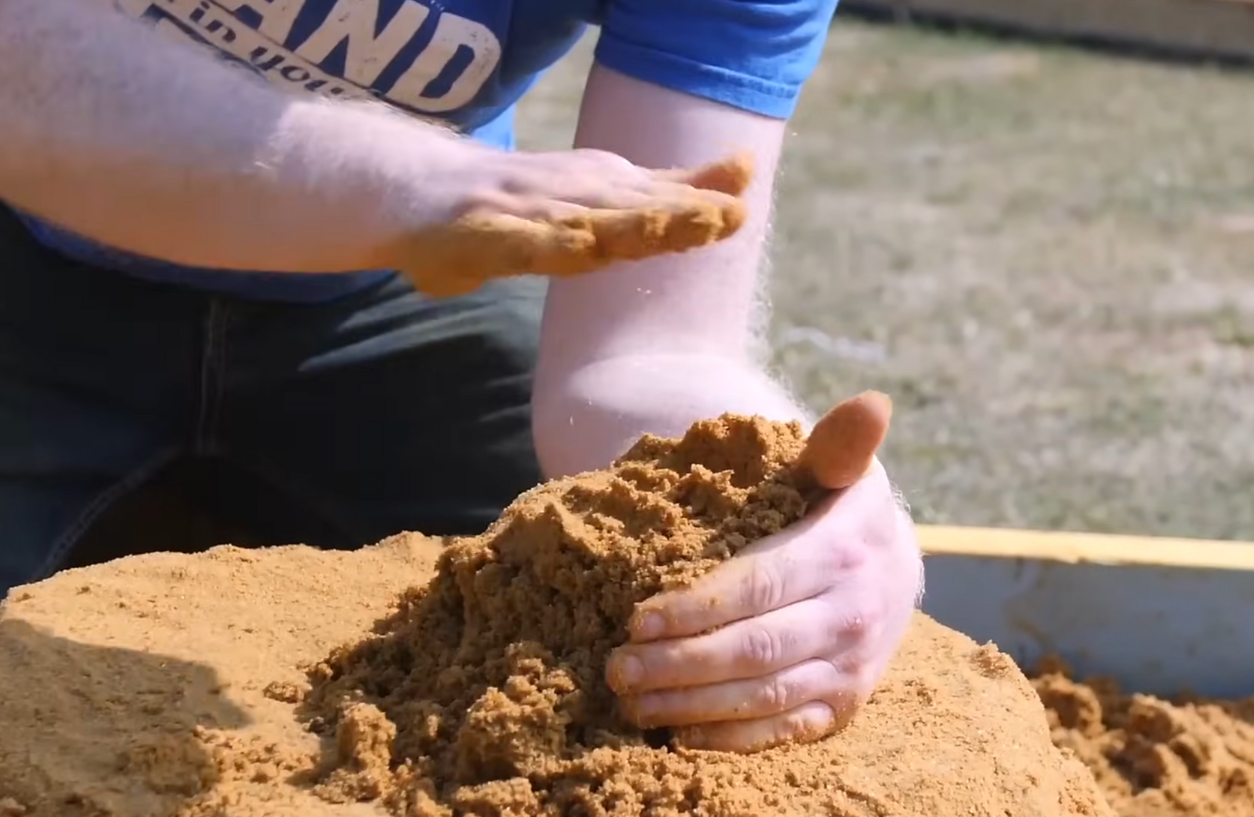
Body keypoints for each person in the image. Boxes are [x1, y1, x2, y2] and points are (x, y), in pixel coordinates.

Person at [0, 0, 924, 753]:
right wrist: (411, 187)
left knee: (627, 622)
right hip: (32, 230)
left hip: (402, 285)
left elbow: (646, 349)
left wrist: (792, 502)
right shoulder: (427, 190)